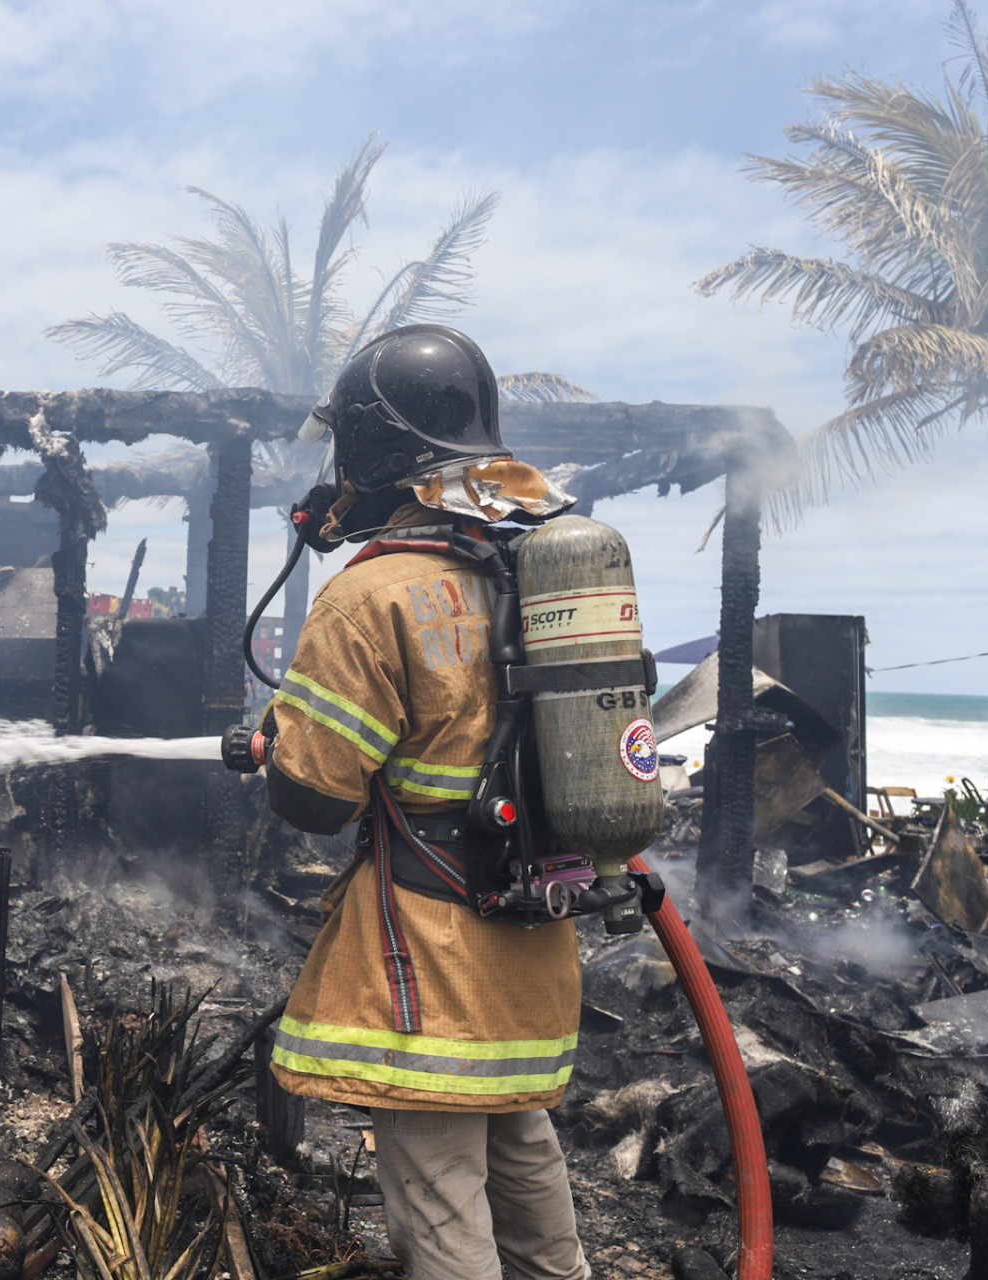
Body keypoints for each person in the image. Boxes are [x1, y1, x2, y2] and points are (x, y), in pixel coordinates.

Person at [260, 324, 590, 1280]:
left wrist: (274, 751)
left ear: (368, 452)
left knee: (442, 1211)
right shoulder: (532, 575)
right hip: (529, 947)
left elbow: (319, 797)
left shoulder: (370, 600)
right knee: (522, 1157)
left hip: (431, 960)